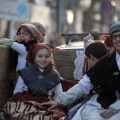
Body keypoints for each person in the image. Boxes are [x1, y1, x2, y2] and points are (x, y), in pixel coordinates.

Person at [40, 40, 107, 119]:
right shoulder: (112, 66)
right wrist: (59, 101)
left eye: (87, 60)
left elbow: (79, 88)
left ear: (91, 57)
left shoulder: (95, 72)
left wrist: (58, 101)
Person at [3, 43, 65, 120]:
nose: (43, 59)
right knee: (18, 112)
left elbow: (60, 95)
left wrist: (55, 102)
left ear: (50, 58)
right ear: (34, 58)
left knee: (53, 116)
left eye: (47, 56)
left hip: (45, 103)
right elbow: (16, 92)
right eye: (40, 56)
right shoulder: (25, 72)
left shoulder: (54, 74)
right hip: (26, 101)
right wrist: (27, 101)